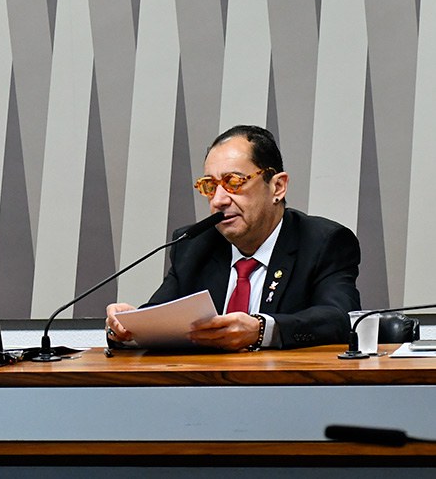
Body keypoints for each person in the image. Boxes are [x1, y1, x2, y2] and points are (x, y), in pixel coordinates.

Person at [105, 125, 361, 350]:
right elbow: (159, 318)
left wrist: (261, 330)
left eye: (234, 182)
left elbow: (339, 318)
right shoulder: (194, 245)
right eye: (210, 186)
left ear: (277, 186)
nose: (218, 200)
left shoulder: (323, 242)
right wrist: (127, 325)